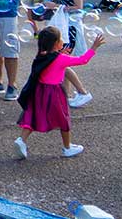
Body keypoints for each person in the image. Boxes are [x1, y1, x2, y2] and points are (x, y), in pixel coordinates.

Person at [14, 27, 105, 159]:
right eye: (61, 39)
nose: (63, 40)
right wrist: (94, 47)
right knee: (64, 119)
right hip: (54, 93)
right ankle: (67, 148)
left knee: (34, 117)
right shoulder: (61, 59)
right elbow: (83, 60)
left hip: (39, 92)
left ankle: (21, 140)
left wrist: (60, 53)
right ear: (56, 43)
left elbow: (53, 60)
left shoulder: (42, 55)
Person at [44, 0, 93, 108]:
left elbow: (79, 7)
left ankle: (82, 92)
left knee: (61, 61)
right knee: (61, 62)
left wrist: (56, 6)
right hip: (62, 26)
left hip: (70, 27)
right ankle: (65, 96)